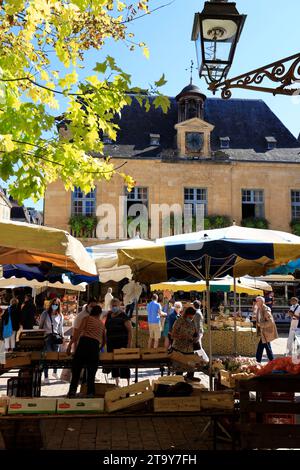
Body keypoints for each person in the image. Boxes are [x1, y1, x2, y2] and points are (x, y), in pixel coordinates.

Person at [67, 305, 105, 398]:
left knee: (77, 369)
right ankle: (90, 393)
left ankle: (72, 392)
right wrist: (99, 348)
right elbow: (104, 340)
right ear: (99, 314)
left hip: (84, 343)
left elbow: (78, 332)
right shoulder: (101, 324)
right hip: (94, 346)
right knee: (91, 371)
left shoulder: (87, 319)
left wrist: (69, 345)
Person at [105, 298, 132, 386]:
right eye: (112, 306)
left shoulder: (123, 316)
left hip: (122, 344)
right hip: (111, 344)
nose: (114, 307)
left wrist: (129, 344)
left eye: (115, 305)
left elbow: (130, 330)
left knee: (124, 363)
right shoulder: (109, 315)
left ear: (119, 306)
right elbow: (106, 328)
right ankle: (117, 383)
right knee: (114, 364)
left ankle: (127, 383)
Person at [39, 297, 64, 384]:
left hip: (56, 337)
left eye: (57, 304)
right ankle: (46, 376)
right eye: (53, 304)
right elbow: (40, 326)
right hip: (47, 337)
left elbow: (60, 328)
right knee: (48, 357)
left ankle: (54, 372)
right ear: (51, 304)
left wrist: (63, 337)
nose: (55, 305)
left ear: (59, 305)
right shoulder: (45, 314)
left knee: (55, 357)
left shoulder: (60, 315)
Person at [255, 296, 278, 363]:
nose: (256, 302)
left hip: (266, 332)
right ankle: (258, 361)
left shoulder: (266, 309)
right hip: (263, 332)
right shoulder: (259, 308)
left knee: (266, 347)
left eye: (257, 301)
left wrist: (261, 325)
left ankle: (271, 361)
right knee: (263, 347)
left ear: (262, 302)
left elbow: (271, 321)